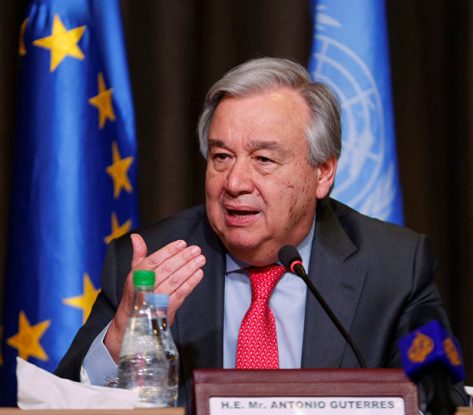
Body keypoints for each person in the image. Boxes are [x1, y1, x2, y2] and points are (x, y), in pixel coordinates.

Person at [56, 57, 451, 407]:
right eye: (221, 156)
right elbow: (62, 400)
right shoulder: (150, 263)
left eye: (263, 159)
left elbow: (440, 399)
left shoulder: (394, 267)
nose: (234, 182)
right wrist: (121, 337)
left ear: (323, 173)